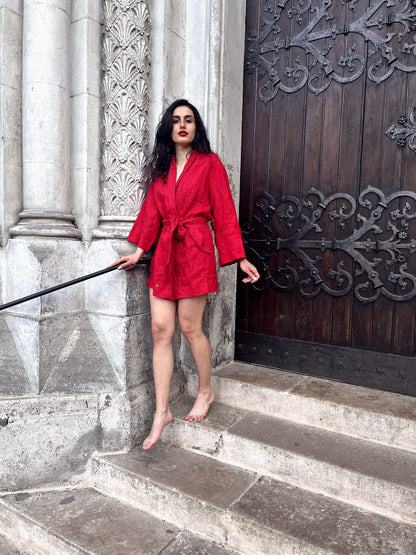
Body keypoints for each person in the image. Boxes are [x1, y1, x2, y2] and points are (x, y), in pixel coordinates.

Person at [110, 99, 259, 450]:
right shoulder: (161, 170)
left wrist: (238, 258)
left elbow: (223, 211)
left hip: (194, 250)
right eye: (176, 120)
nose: (182, 125)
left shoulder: (209, 164)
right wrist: (138, 252)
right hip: (164, 254)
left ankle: (205, 391)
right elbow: (150, 213)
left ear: (196, 127)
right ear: (168, 128)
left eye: (189, 120)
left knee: (191, 329)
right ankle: (161, 412)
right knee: (161, 329)